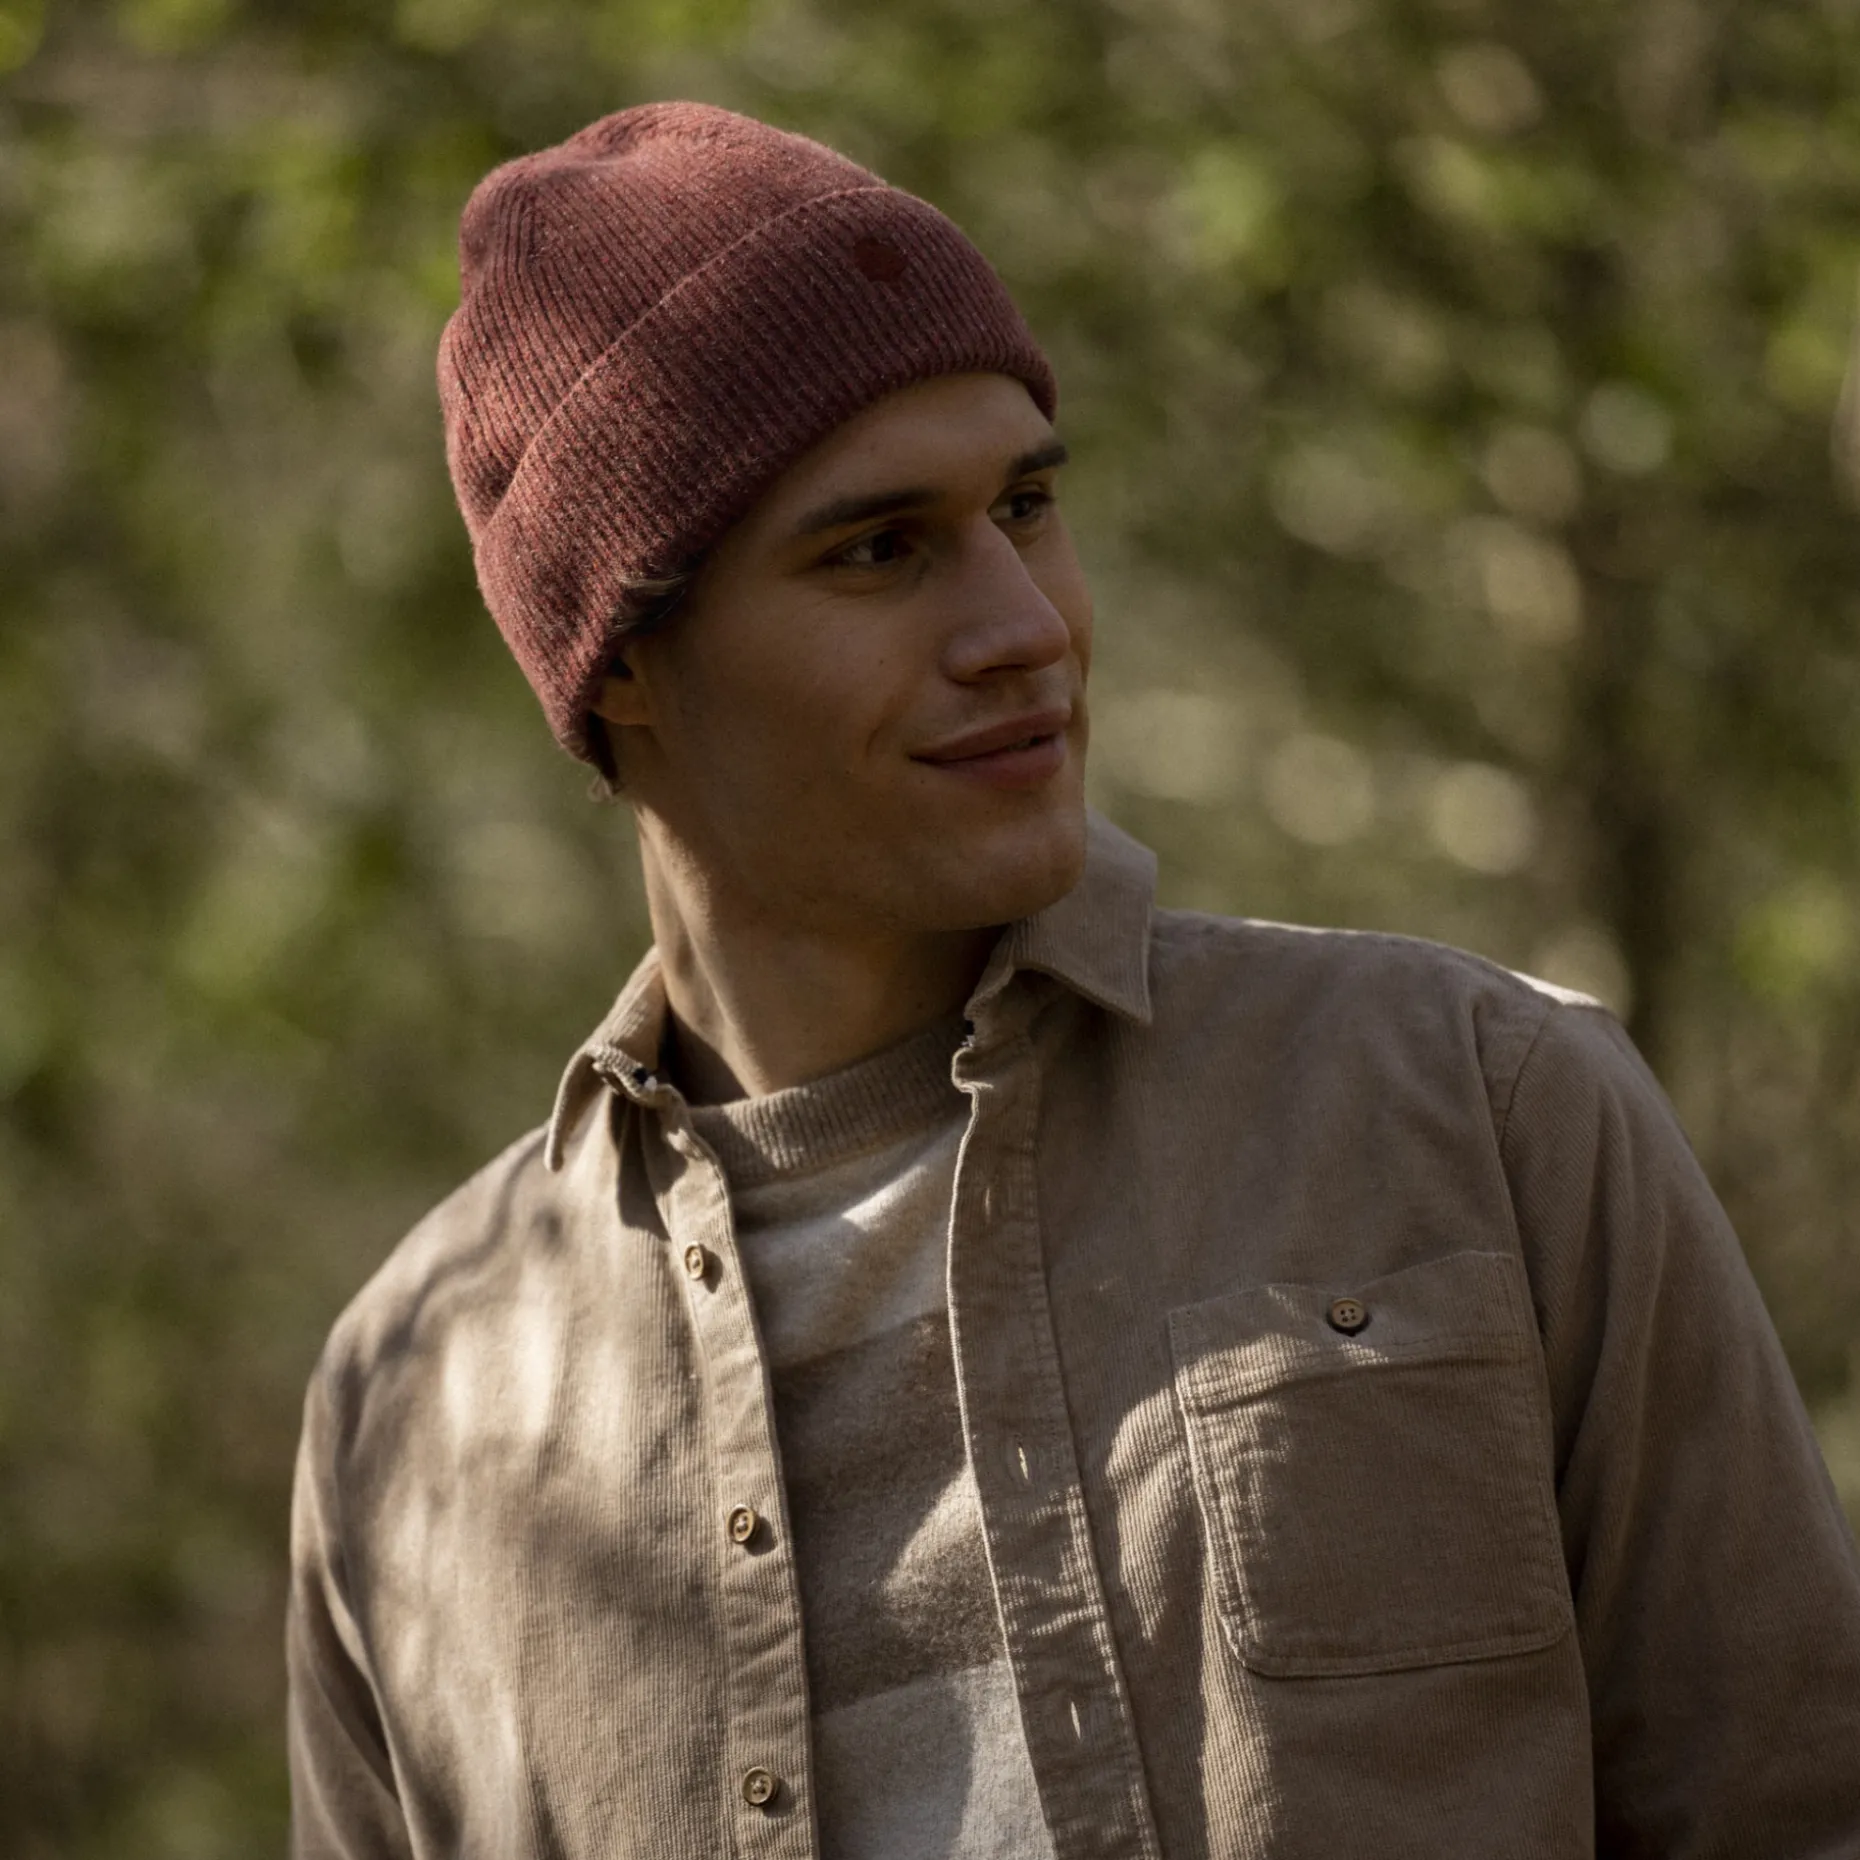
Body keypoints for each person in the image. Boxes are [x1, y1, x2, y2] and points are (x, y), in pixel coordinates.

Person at [286, 102, 1860, 1860]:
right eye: (879, 549)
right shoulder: (418, 1403)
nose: (1025, 625)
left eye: (1027, 507)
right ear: (626, 664)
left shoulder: (1483, 1108)